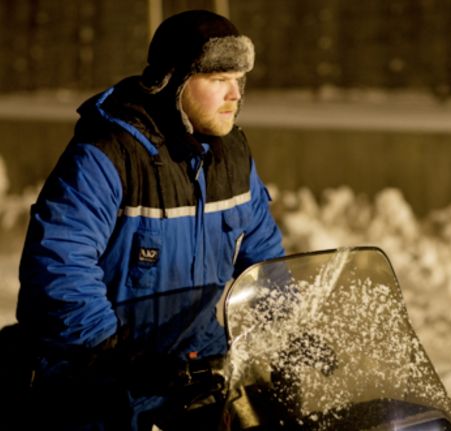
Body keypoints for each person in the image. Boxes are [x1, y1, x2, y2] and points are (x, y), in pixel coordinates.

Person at [4, 9, 284, 430]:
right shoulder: (107, 155)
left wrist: (289, 329)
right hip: (100, 376)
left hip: (193, 373)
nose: (235, 95)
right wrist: (112, 354)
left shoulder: (233, 157)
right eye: (217, 79)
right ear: (171, 82)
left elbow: (265, 259)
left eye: (238, 80)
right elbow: (60, 263)